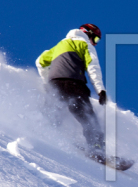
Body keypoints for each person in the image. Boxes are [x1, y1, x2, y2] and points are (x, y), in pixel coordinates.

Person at [36, 24, 107, 154]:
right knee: (87, 116)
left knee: (52, 112)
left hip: (55, 85)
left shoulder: (59, 46)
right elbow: (93, 67)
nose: (95, 44)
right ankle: (97, 146)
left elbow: (40, 61)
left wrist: (47, 81)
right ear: (88, 34)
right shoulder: (85, 44)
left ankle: (46, 133)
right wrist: (100, 90)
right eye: (96, 40)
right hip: (74, 84)